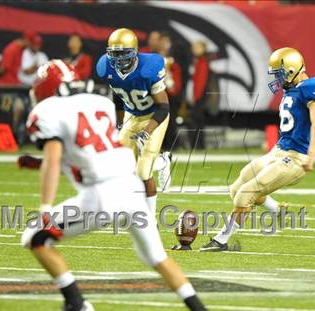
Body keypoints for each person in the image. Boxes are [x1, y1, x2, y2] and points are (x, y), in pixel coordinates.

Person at [21, 59, 207, 311]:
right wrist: (38, 162)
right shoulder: (100, 103)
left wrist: (45, 206)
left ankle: (77, 303)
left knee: (35, 236)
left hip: (100, 195)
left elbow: (56, 159)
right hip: (131, 189)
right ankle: (198, 307)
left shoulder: (48, 111)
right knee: (157, 257)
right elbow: (89, 153)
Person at [200, 47, 315, 252]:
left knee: (245, 194)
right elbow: (299, 127)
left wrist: (312, 155)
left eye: (279, 73)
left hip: (296, 158)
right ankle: (277, 210)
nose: (277, 79)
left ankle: (221, 240)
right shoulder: (292, 90)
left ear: (291, 70)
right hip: (278, 151)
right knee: (236, 187)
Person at [96, 28, 172, 218]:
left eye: (123, 54)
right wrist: (120, 123)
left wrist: (146, 132)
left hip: (154, 116)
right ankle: (161, 161)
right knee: (120, 165)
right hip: (132, 115)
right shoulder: (106, 67)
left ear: (134, 52)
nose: (118, 60)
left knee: (143, 171)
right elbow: (118, 96)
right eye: (115, 55)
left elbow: (163, 107)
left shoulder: (149, 68)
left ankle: (150, 218)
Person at [186, 41, 210, 149]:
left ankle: (198, 145)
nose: (194, 49)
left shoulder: (202, 62)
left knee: (197, 121)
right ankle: (197, 144)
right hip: (195, 96)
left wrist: (196, 97)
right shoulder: (195, 61)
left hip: (198, 97)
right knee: (197, 121)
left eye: (197, 47)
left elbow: (201, 81)